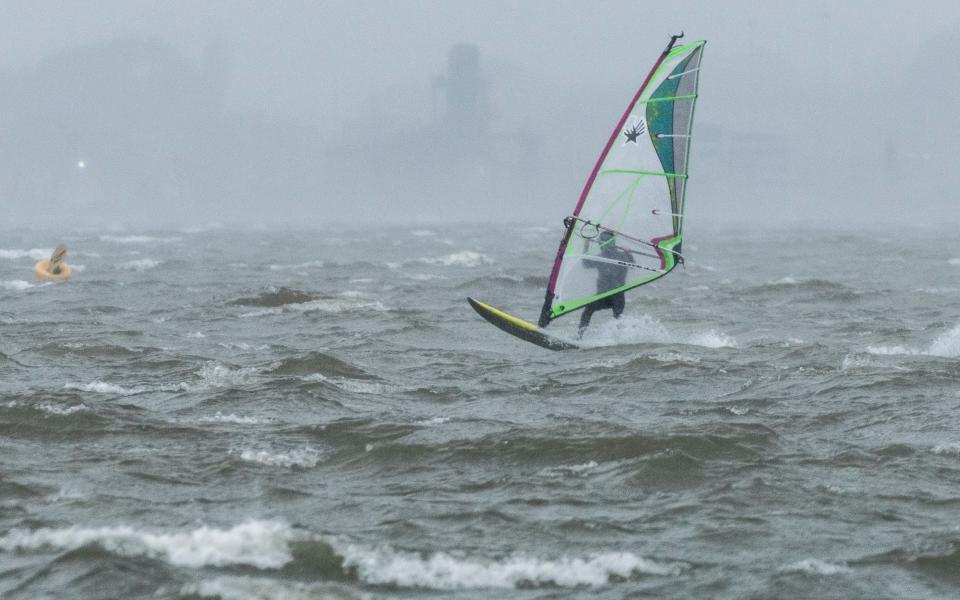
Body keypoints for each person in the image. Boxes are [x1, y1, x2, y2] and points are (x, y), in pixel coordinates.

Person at [579, 231, 633, 338]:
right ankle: (620, 340)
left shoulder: (605, 257)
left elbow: (585, 263)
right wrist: (628, 253)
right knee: (590, 310)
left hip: (613, 296)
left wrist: (586, 246)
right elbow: (586, 264)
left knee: (588, 311)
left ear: (602, 244)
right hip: (606, 296)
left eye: (600, 242)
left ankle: (580, 336)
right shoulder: (620, 256)